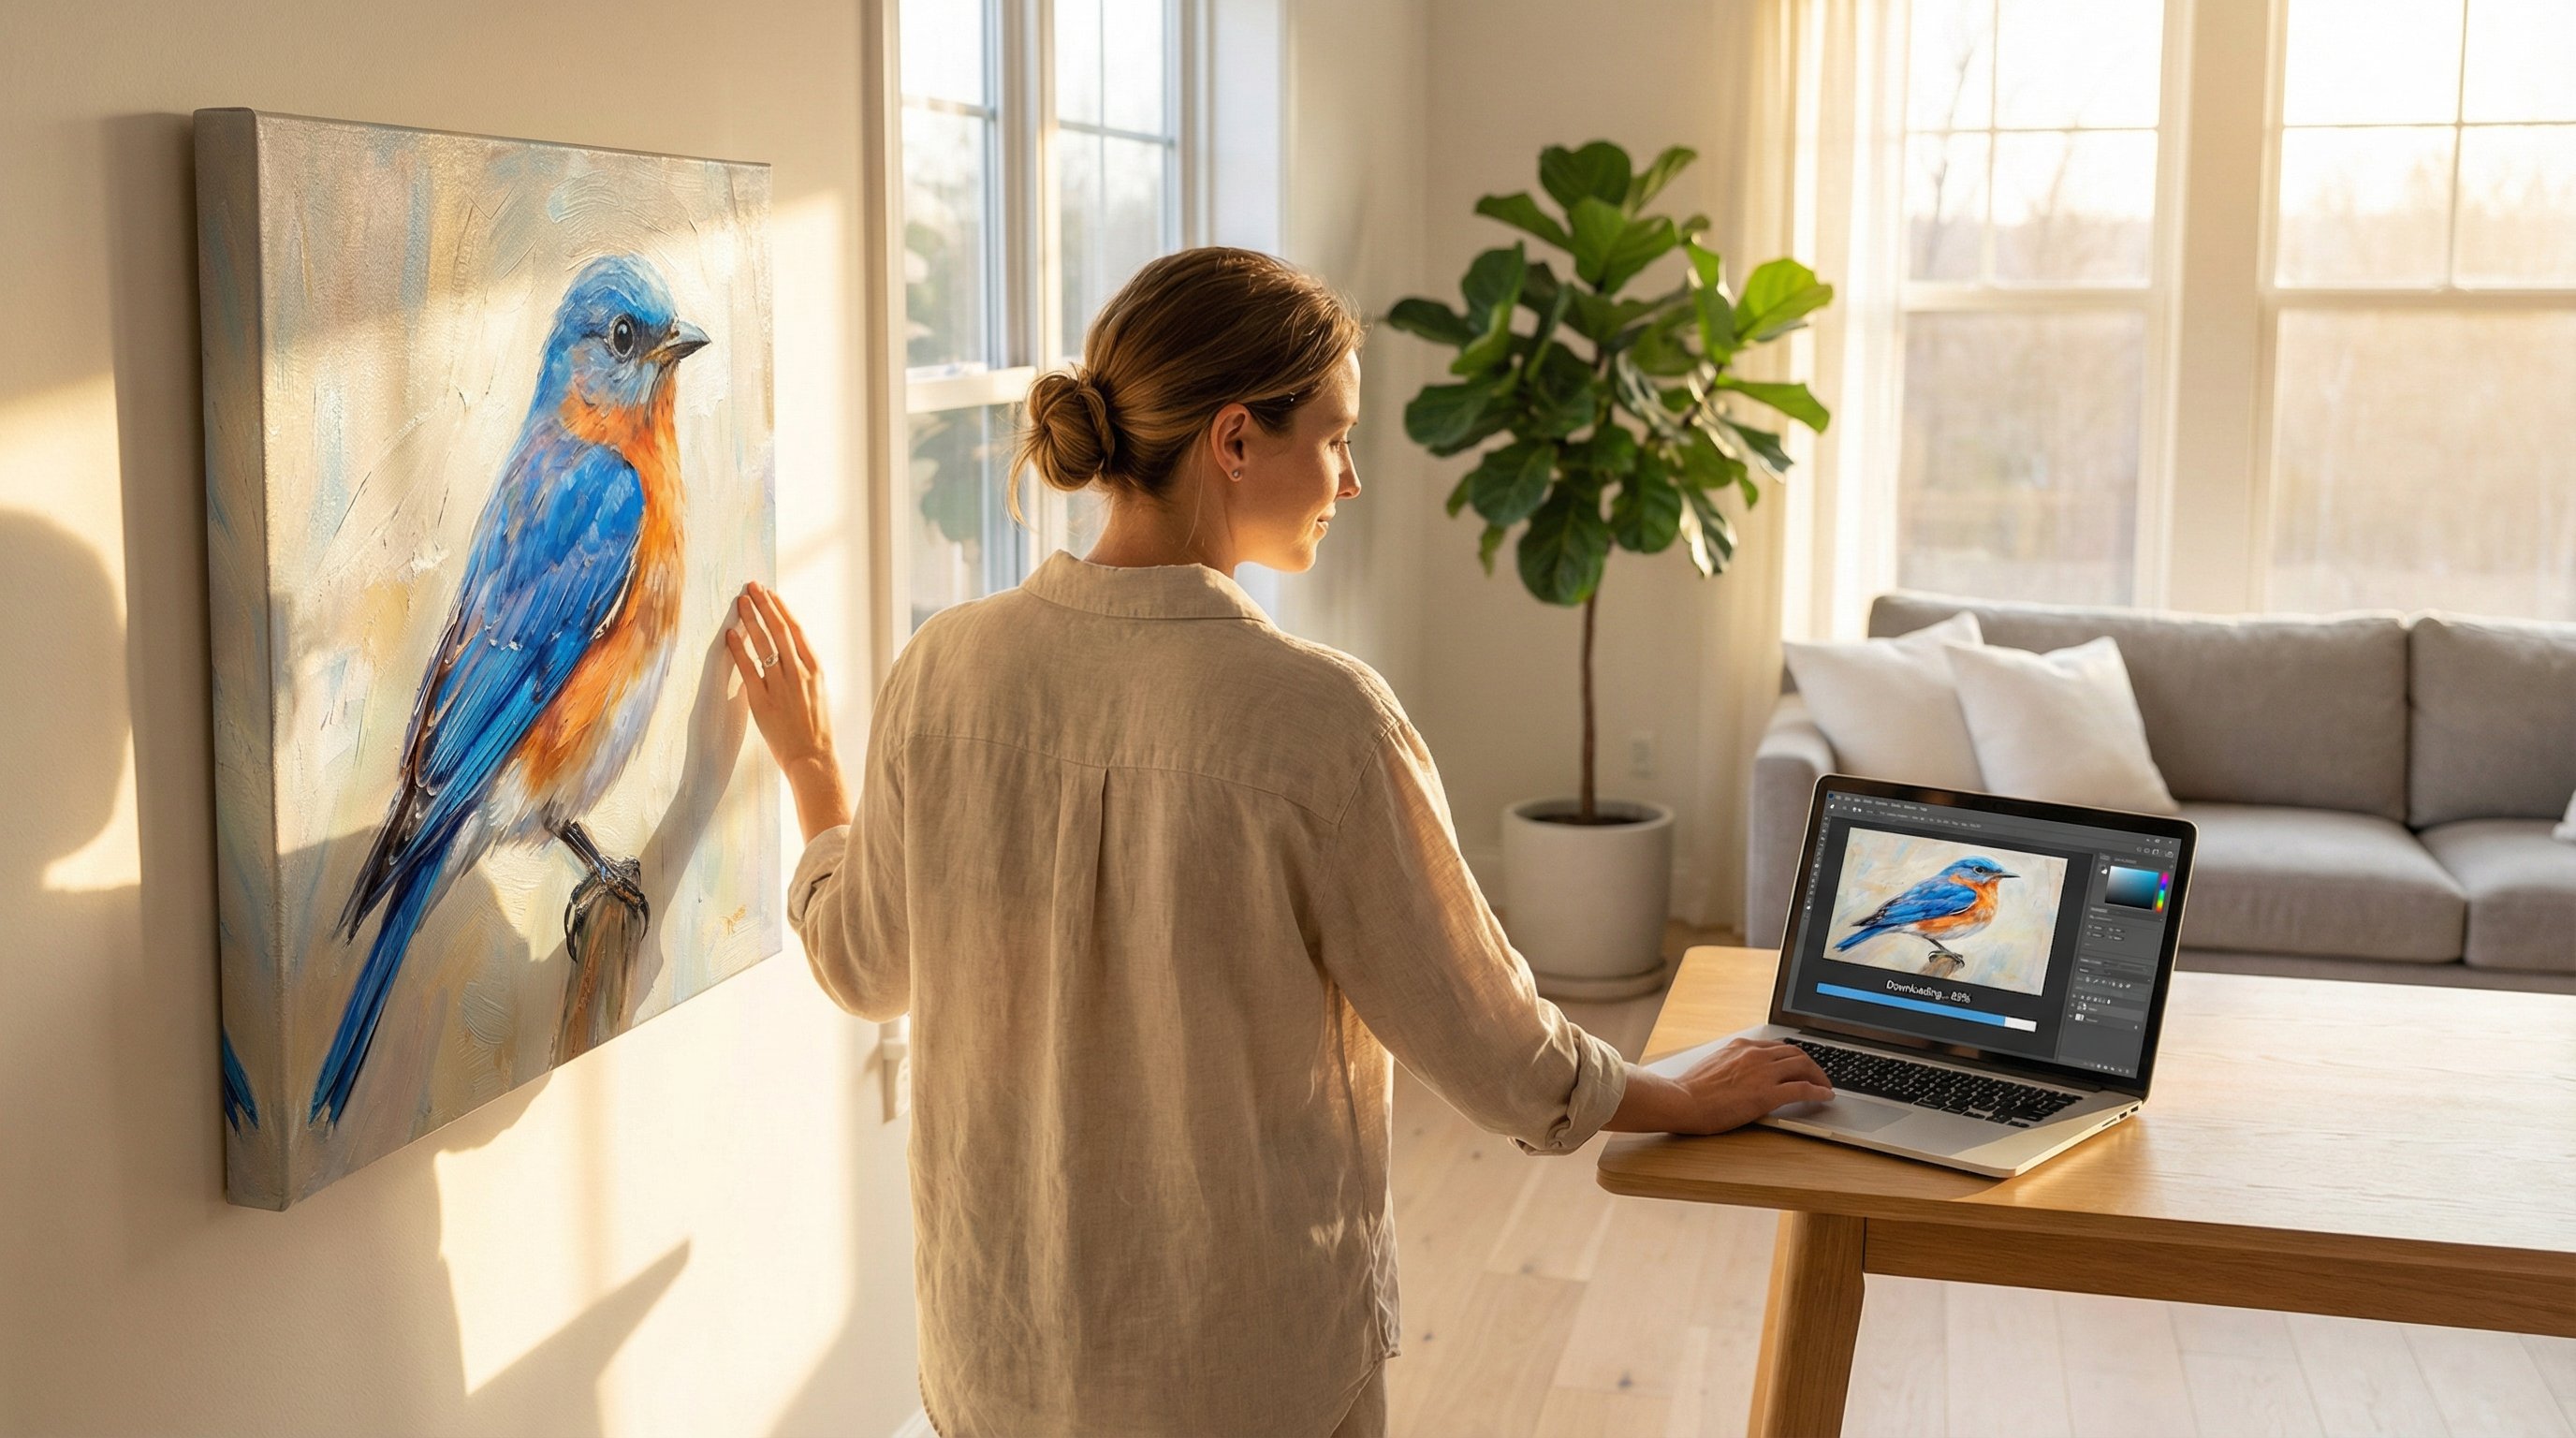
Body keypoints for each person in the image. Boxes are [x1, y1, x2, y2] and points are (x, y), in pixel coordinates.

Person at [724, 247, 1834, 1437]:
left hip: (1000, 1358)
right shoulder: (1319, 719)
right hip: (1244, 1371)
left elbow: (862, 965)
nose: (1350, 481)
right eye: (1339, 436)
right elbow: (1492, 1043)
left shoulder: (946, 667)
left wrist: (809, 770)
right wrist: (1672, 1094)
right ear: (1237, 440)